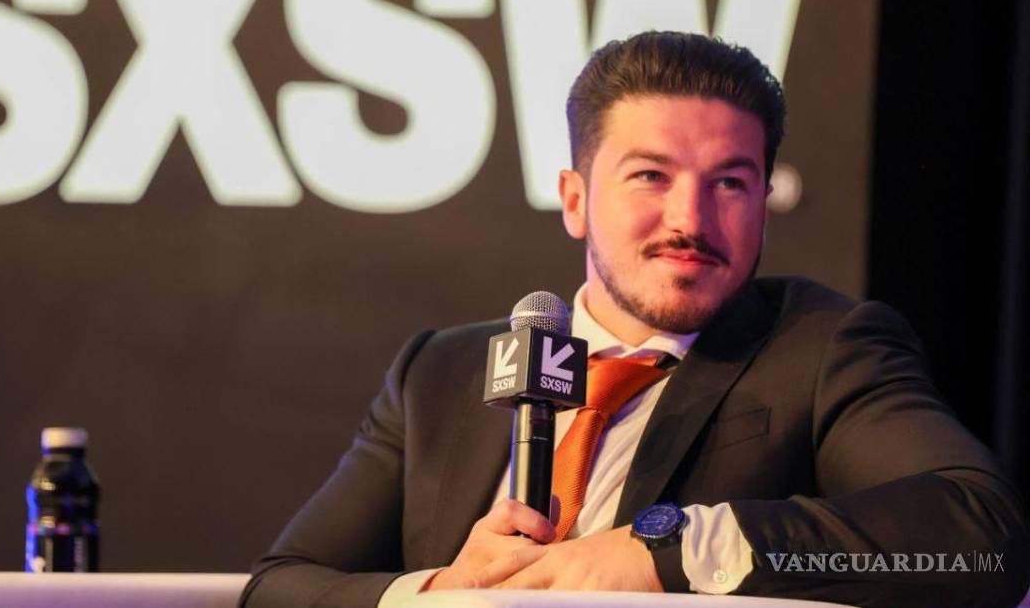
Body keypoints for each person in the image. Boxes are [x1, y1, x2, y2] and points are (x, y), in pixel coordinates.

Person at [240, 31, 1030, 608]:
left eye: (730, 182)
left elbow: (980, 541)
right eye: (651, 175)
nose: (690, 218)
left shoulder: (824, 350)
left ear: (764, 200)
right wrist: (443, 591)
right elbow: (279, 586)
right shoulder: (439, 372)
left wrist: (675, 549)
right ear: (576, 199)